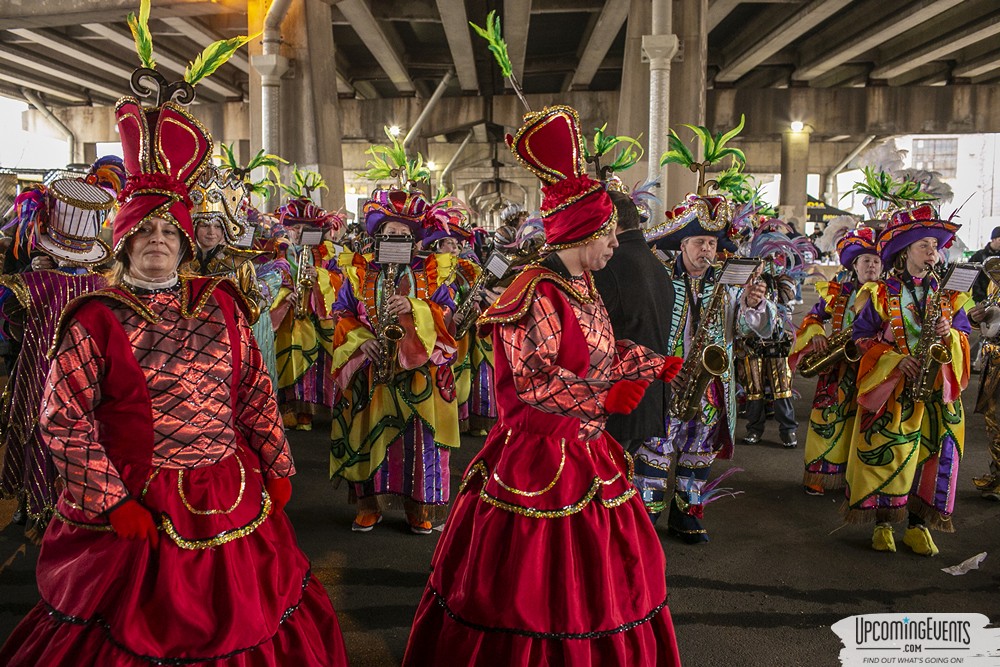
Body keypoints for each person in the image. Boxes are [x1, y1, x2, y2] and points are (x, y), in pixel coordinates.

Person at [0, 62, 347, 664]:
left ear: (185, 241)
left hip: (230, 490)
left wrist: (276, 461)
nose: (158, 239)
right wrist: (111, 500)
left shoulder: (221, 304)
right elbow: (64, 420)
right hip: (138, 502)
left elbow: (254, 390)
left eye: (169, 229)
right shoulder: (95, 316)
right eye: (145, 230)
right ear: (126, 240)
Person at [403, 104, 683, 666]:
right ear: (586, 231)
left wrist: (645, 363)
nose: (616, 245)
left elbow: (598, 350)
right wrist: (604, 396)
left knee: (597, 583)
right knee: (529, 590)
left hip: (587, 449)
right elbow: (533, 380)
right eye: (609, 234)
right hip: (537, 459)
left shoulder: (583, 284)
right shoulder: (535, 290)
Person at [329, 176, 460, 535]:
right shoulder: (357, 271)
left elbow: (448, 316)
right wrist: (360, 341)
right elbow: (341, 313)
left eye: (403, 236)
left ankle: (419, 507)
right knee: (366, 434)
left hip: (419, 377)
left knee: (420, 441)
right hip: (370, 372)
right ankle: (368, 505)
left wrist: (416, 307)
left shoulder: (435, 273)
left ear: (416, 240)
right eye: (388, 235)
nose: (395, 241)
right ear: (377, 236)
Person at [641, 194, 776, 541]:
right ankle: (645, 518)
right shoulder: (658, 276)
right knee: (655, 448)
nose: (707, 250)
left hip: (712, 386)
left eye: (712, 243)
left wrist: (752, 304)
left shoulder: (729, 282)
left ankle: (687, 515)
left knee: (699, 450)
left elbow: (750, 331)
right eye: (699, 241)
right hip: (668, 379)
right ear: (682, 244)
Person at [846, 204, 971, 557]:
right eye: (925, 246)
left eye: (935, 245)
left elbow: (964, 333)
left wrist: (952, 334)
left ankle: (918, 526)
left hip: (937, 391)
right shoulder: (879, 293)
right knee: (888, 453)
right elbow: (861, 337)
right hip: (896, 388)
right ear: (905, 252)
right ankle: (883, 524)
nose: (933, 252)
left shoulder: (948, 294)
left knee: (933, 456)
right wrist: (895, 359)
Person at [0, 168, 115, 538]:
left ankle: (31, 503)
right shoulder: (104, 284)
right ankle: (75, 504)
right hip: (87, 374)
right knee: (81, 433)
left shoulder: (33, 282)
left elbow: (11, 324)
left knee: (38, 425)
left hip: (39, 365)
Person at [790, 227, 881, 495]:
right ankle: (819, 476)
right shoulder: (838, 291)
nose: (872, 266)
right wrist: (817, 335)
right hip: (838, 365)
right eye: (866, 261)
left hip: (873, 367)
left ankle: (855, 479)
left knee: (864, 425)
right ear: (855, 265)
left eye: (876, 261)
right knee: (827, 420)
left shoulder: (889, 295)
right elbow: (813, 318)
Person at [593, 189, 674, 456]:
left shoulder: (610, 263)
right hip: (648, 398)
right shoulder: (656, 264)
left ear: (612, 223)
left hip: (619, 400)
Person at [270, 192, 346, 430]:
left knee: (317, 364)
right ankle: (287, 409)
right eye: (295, 227)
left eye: (305, 227)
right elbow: (268, 278)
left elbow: (342, 280)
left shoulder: (329, 252)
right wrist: (283, 295)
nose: (299, 232)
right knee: (288, 359)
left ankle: (311, 411)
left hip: (316, 316)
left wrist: (321, 278)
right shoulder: (279, 250)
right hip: (288, 315)